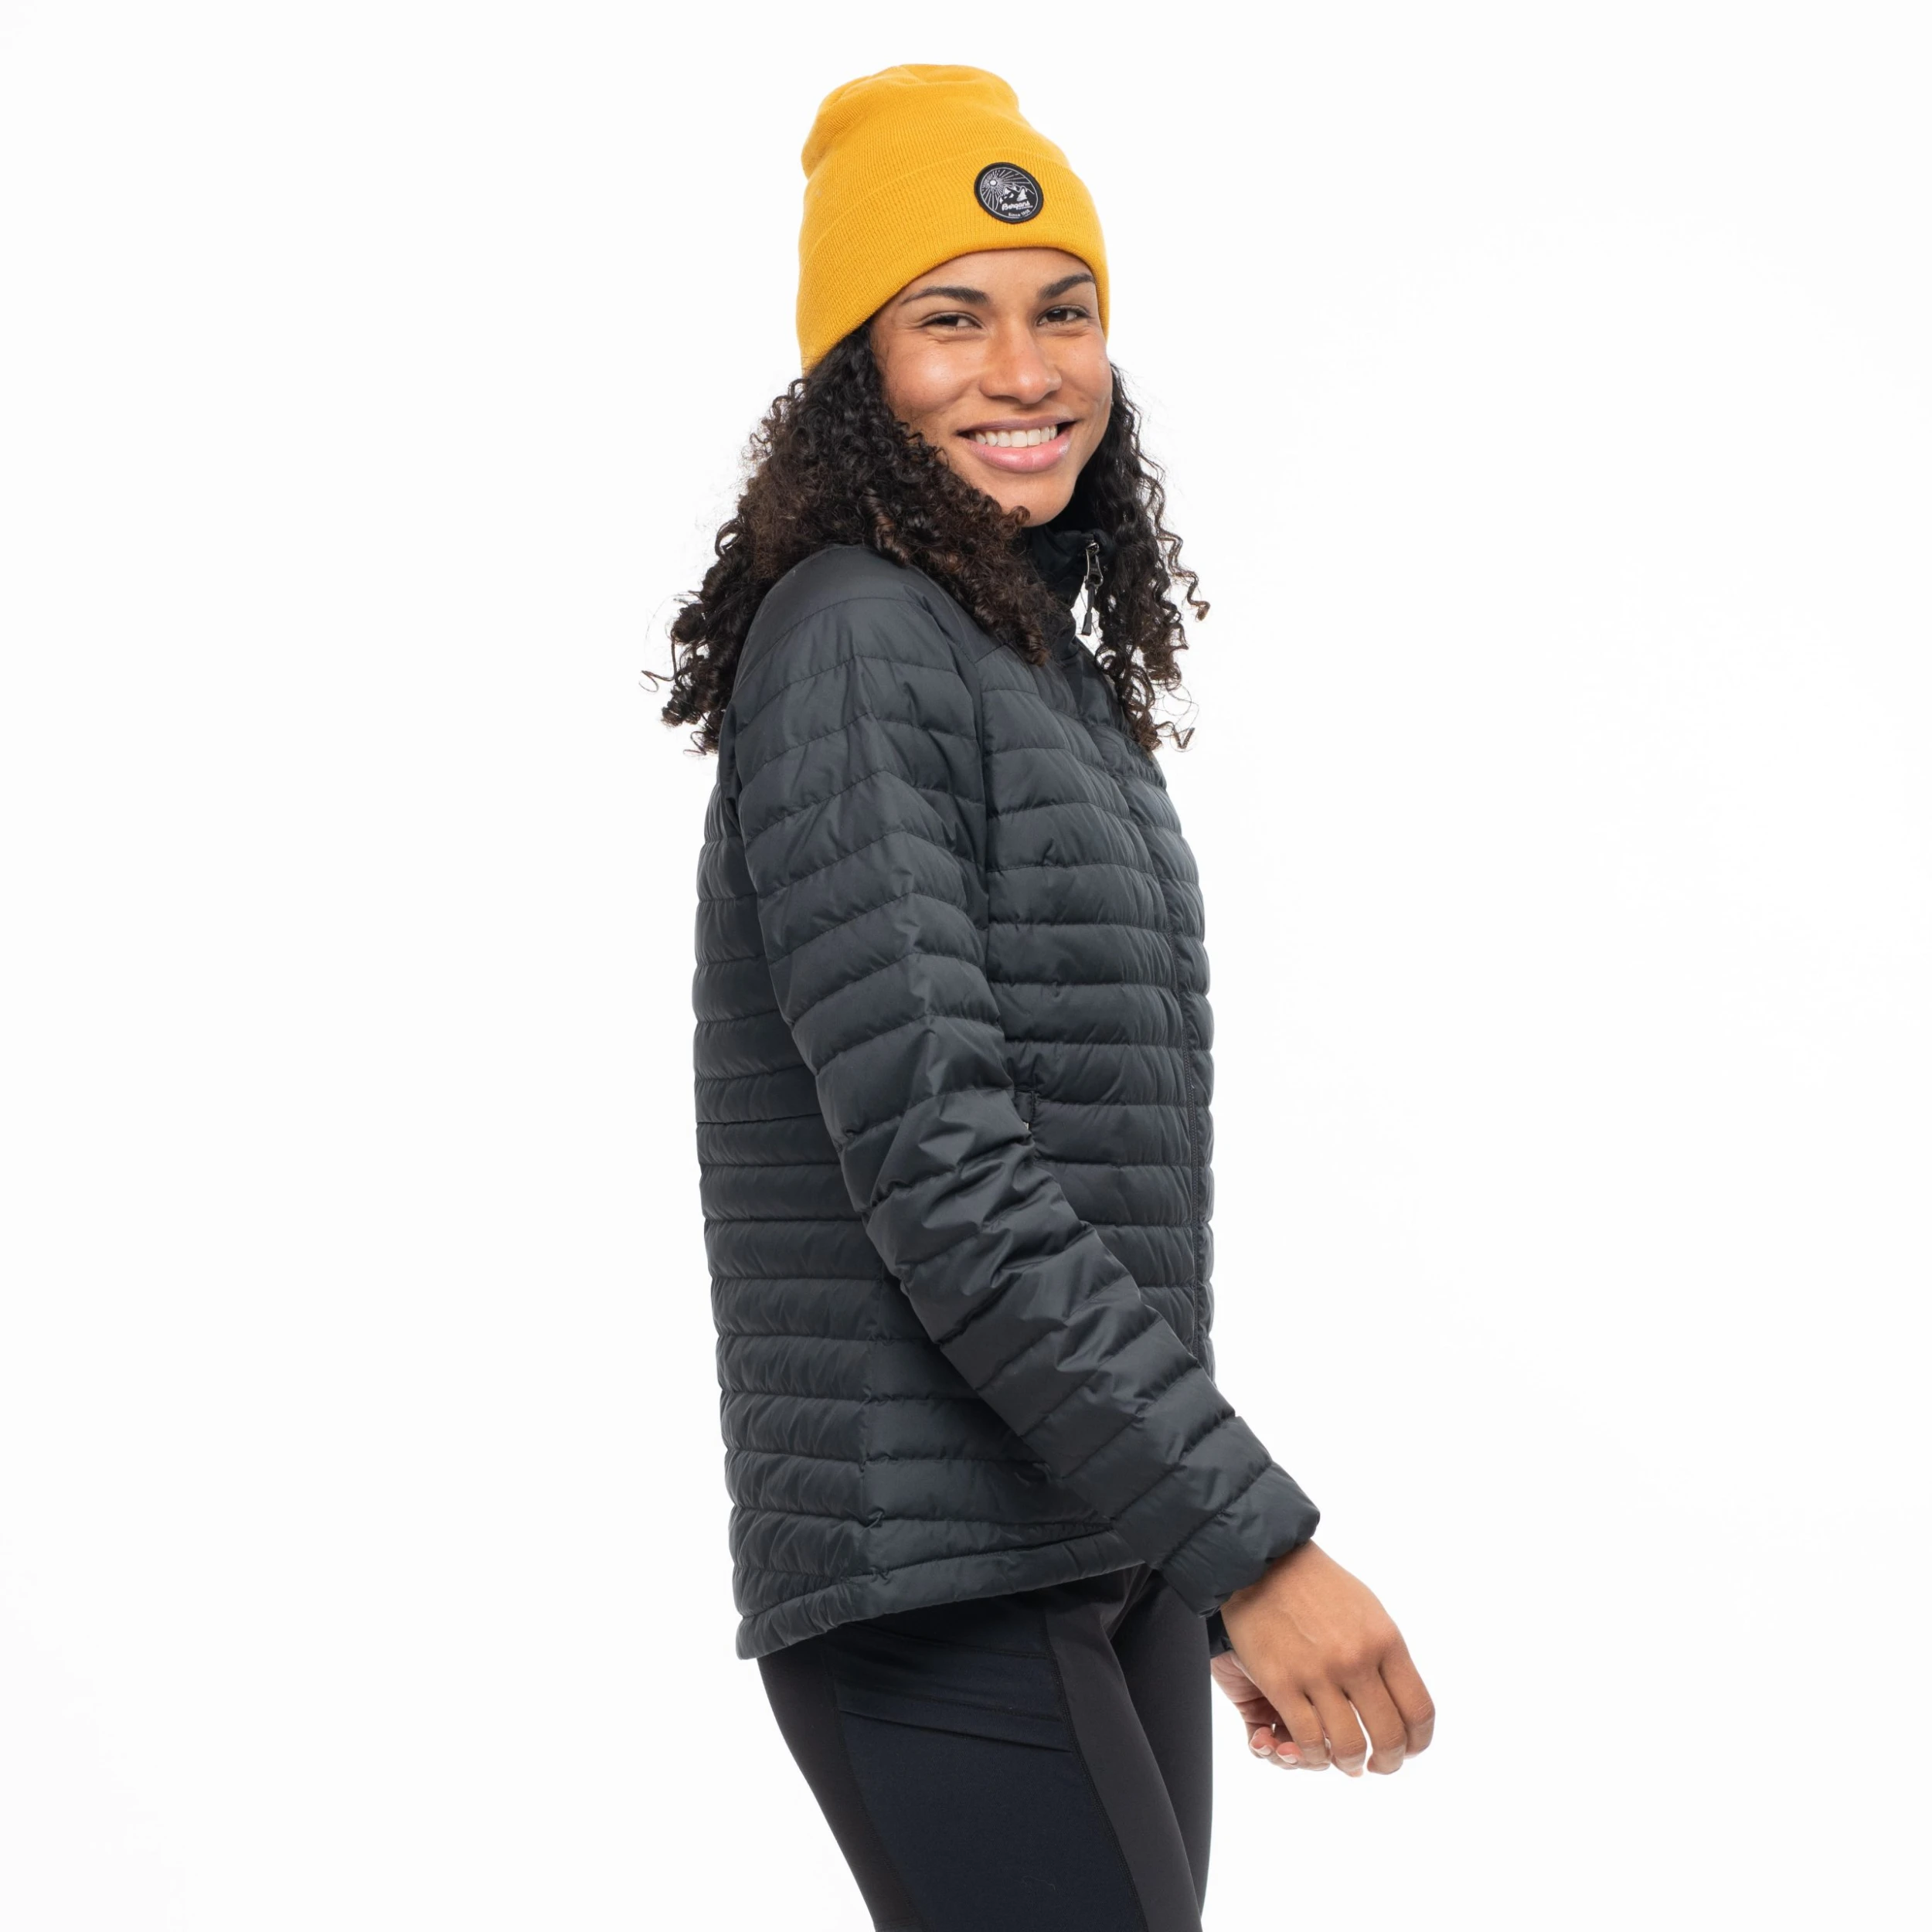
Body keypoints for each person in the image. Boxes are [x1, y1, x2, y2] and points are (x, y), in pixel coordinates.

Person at [659, 63, 1435, 1932]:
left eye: (1060, 310)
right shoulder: (855, 636)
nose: (1023, 369)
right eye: (950, 318)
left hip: (1087, 1536)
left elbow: (1079, 1155)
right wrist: (1253, 1543)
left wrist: (1183, 1544)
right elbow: (944, 1164)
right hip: (936, 1568)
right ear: (856, 370)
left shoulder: (1022, 658)